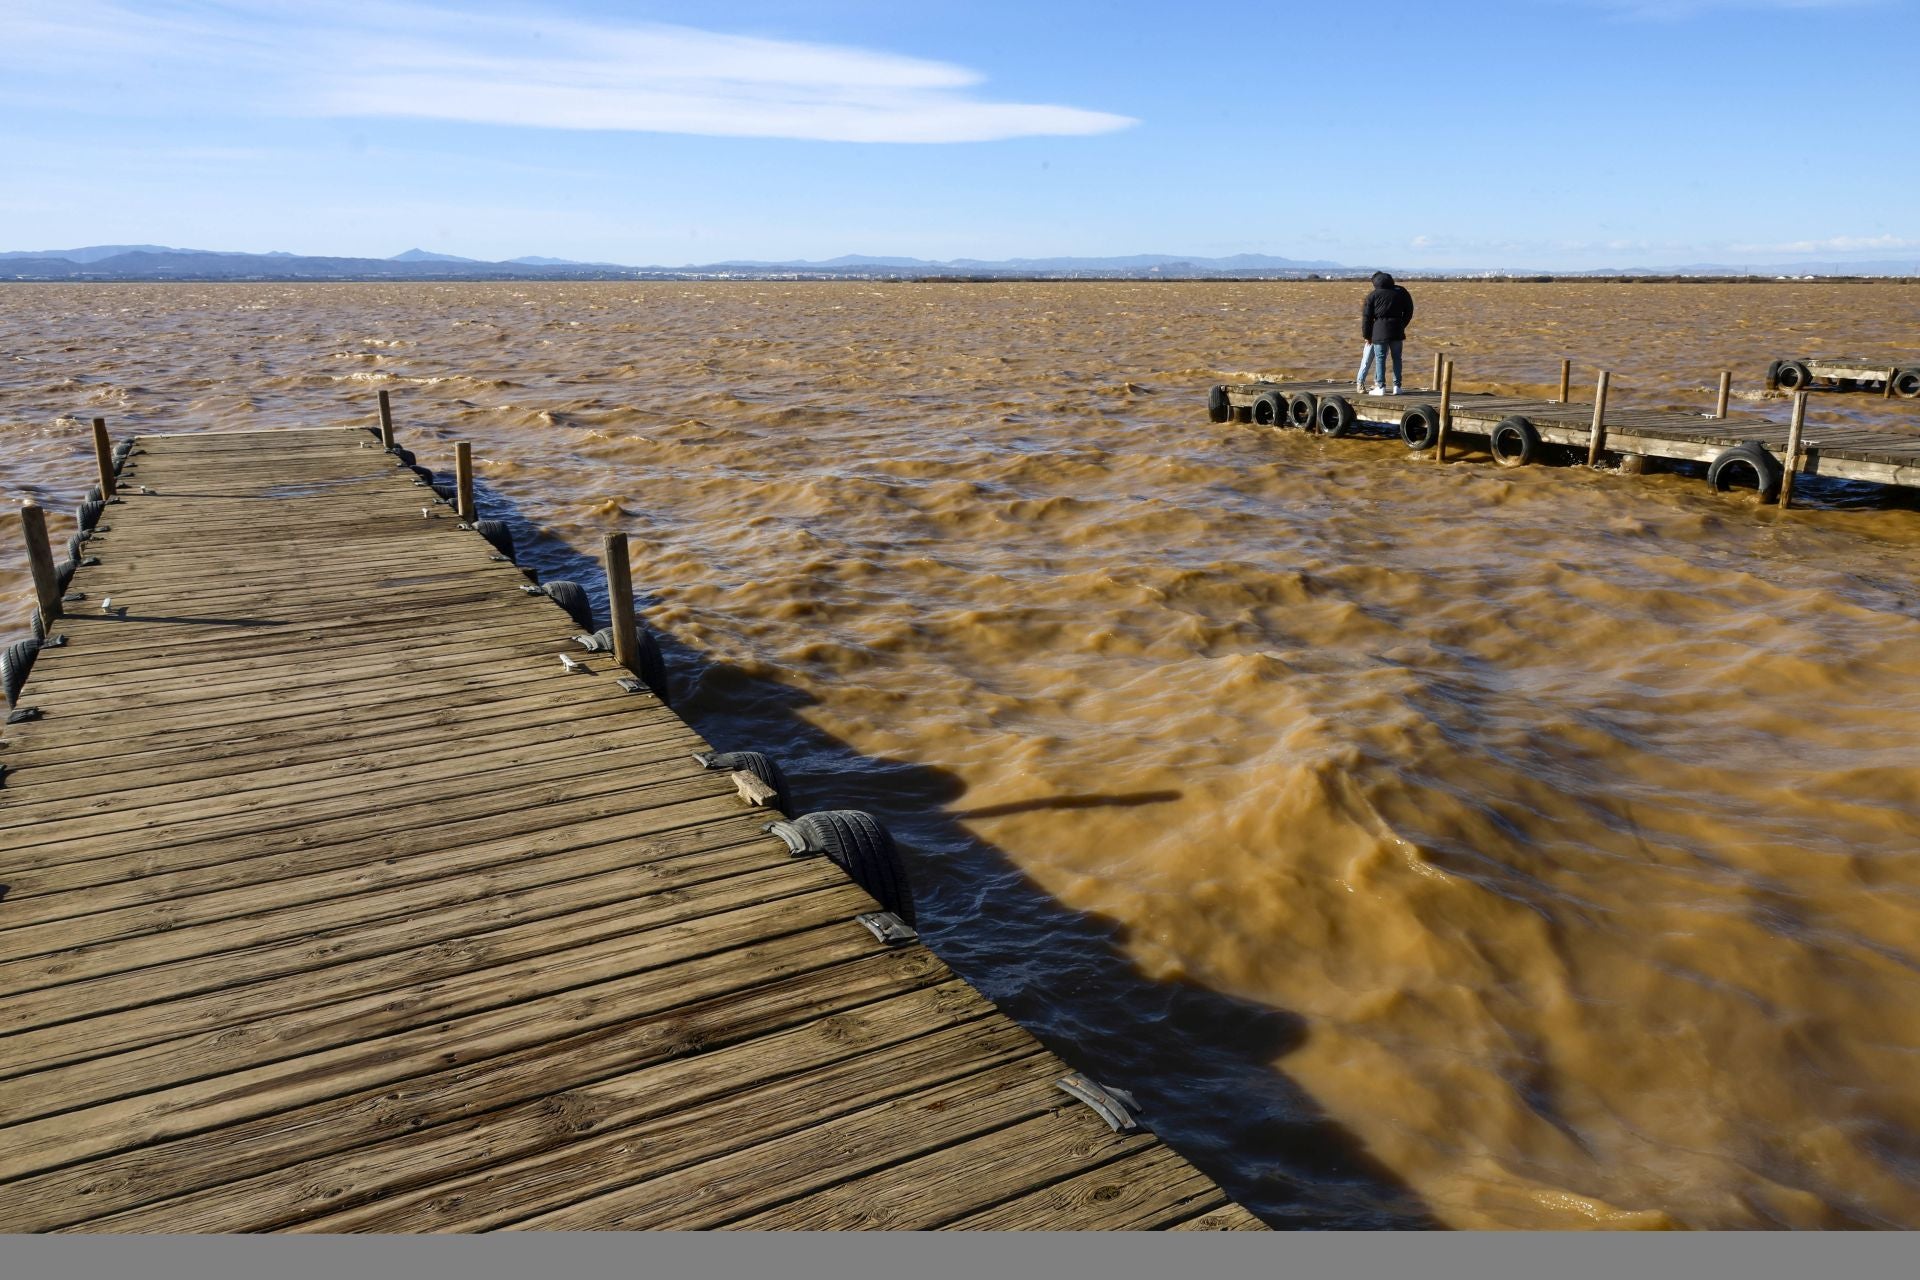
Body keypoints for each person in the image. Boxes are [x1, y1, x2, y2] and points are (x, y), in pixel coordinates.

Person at [1356, 271, 1414, 395]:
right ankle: (1397, 387)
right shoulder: (1401, 292)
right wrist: (1402, 324)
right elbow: (1409, 311)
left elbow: (1366, 318)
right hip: (1397, 330)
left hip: (1379, 331)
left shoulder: (1372, 295)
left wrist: (1367, 335)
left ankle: (1380, 387)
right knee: (1397, 358)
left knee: (1380, 359)